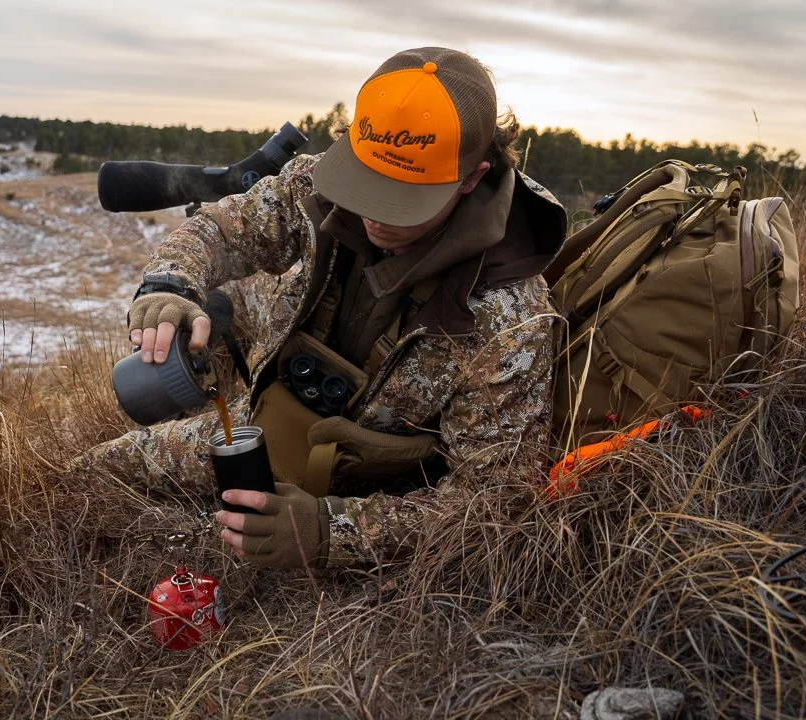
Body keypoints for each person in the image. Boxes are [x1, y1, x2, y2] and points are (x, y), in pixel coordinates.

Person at [79, 46, 567, 569]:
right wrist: (169, 283)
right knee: (88, 477)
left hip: (365, 489)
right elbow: (224, 228)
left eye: (402, 197)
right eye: (365, 181)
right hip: (266, 427)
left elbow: (494, 500)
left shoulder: (509, 317)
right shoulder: (318, 185)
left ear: (472, 178)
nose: (375, 216)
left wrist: (332, 532)